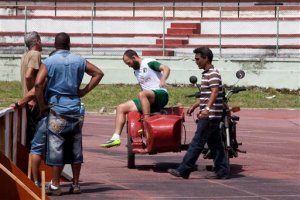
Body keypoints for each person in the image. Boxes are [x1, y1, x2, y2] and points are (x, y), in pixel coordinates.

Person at [35, 32, 104, 196]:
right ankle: (75, 183)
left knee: (56, 147)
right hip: (74, 108)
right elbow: (98, 73)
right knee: (75, 147)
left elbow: (38, 83)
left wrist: (42, 105)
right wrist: (83, 91)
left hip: (57, 109)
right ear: (69, 44)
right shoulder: (79, 60)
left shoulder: (49, 61)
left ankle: (56, 185)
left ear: (54, 45)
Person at [168, 47, 230, 179]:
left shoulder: (212, 74)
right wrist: (195, 105)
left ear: (206, 58)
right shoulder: (207, 73)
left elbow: (215, 92)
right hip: (212, 114)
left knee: (197, 143)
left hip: (210, 115)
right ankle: (223, 171)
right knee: (216, 145)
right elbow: (206, 94)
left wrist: (206, 109)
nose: (196, 61)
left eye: (198, 59)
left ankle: (184, 170)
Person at [100, 49, 170, 148]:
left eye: (129, 63)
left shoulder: (148, 62)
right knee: (121, 108)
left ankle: (146, 125)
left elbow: (166, 68)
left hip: (161, 94)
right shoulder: (136, 72)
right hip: (148, 97)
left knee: (142, 94)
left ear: (134, 57)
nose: (129, 66)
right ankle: (115, 138)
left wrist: (163, 80)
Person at [20, 31, 42, 149]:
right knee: (36, 141)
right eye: (40, 40)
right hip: (33, 103)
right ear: (36, 41)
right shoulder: (35, 54)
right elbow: (28, 75)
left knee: (30, 139)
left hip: (27, 101)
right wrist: (32, 97)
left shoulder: (26, 55)